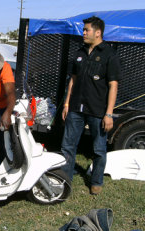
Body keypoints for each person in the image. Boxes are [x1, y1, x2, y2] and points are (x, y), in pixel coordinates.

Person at [61, 16, 121, 195]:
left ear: (98, 32)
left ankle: (96, 182)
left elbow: (113, 85)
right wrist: (66, 103)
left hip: (97, 111)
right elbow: (73, 80)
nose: (84, 32)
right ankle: (65, 178)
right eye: (84, 29)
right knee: (68, 146)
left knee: (99, 149)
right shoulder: (80, 52)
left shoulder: (109, 55)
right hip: (75, 108)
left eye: (87, 30)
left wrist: (109, 114)